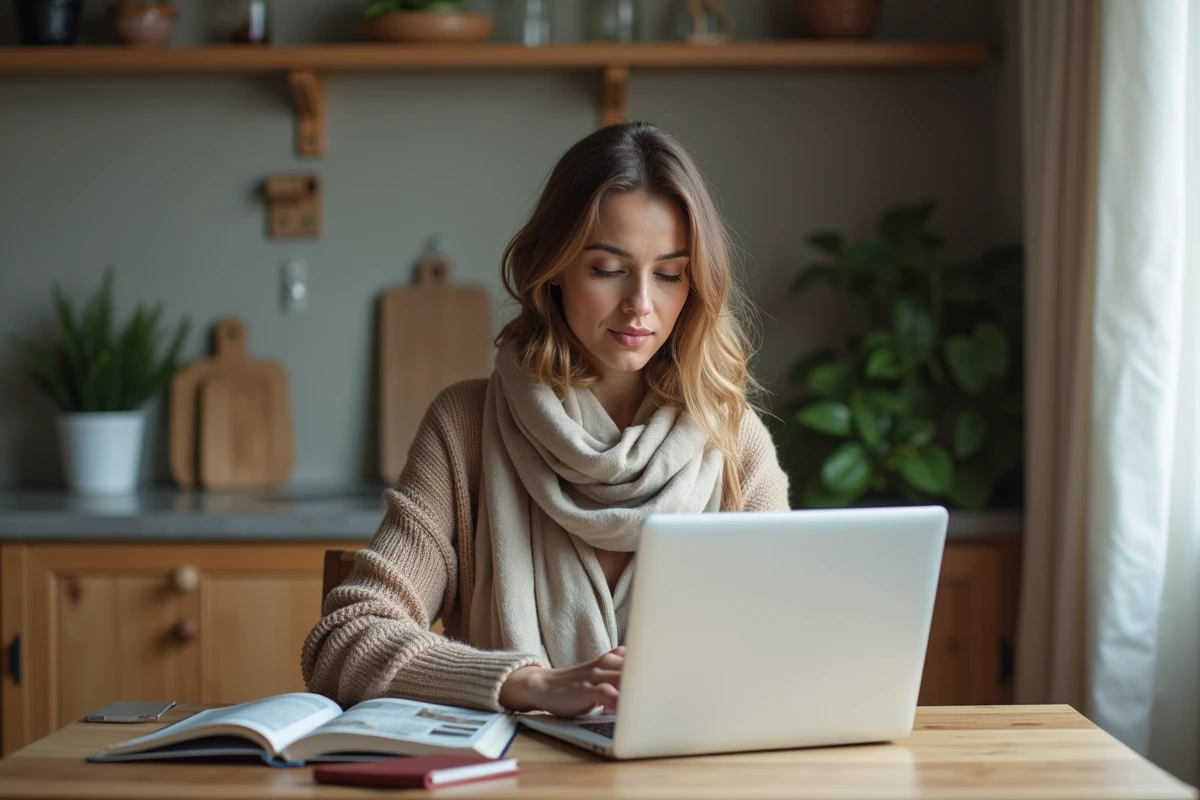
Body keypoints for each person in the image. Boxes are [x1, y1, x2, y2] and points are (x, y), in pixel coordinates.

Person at [301, 121, 789, 719]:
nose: (641, 303)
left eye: (669, 273)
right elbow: (344, 639)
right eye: (608, 268)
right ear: (554, 267)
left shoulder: (732, 442)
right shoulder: (465, 428)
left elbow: (786, 646)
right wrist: (527, 683)